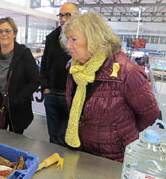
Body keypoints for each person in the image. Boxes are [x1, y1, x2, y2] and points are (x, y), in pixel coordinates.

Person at [60, 12, 159, 162]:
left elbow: (150, 113)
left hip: (114, 157)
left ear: (94, 39)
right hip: (82, 150)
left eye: (74, 39)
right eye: (68, 39)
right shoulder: (74, 68)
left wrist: (121, 134)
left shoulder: (127, 72)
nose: (68, 45)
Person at [0, 17, 40, 134]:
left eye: (7, 31)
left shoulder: (24, 54)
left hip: (18, 109)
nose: (3, 34)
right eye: (0, 31)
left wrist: (17, 100)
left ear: (14, 33)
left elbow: (35, 81)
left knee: (15, 140)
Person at [40, 2, 79, 145]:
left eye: (67, 15)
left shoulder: (85, 39)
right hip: (52, 95)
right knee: (53, 136)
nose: (63, 19)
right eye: (61, 15)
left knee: (70, 138)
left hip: (73, 98)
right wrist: (45, 88)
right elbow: (44, 64)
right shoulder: (52, 38)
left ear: (78, 16)